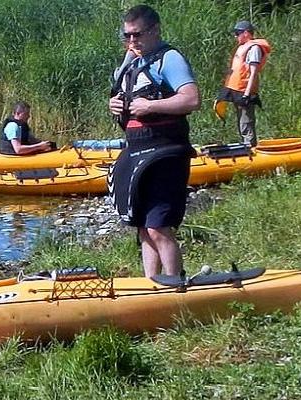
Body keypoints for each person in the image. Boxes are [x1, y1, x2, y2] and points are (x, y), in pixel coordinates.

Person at [106, 5, 201, 283]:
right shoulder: (131, 64)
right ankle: (152, 284)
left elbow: (191, 99)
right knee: (143, 228)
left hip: (165, 152)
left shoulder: (169, 59)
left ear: (155, 30)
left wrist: (151, 105)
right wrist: (115, 105)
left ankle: (175, 284)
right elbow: (128, 102)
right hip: (137, 151)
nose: (132, 42)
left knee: (159, 227)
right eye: (127, 36)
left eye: (137, 35)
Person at [219, 20, 271, 144]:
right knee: (241, 122)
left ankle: (250, 149)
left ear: (246, 33)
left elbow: (253, 73)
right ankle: (245, 145)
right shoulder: (242, 48)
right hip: (237, 90)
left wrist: (247, 94)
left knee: (246, 122)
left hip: (245, 91)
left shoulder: (254, 48)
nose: (235, 36)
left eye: (238, 33)